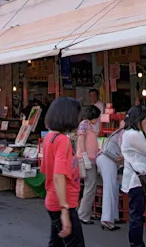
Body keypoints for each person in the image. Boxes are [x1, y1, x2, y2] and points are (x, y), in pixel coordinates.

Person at [42, 97, 85, 247]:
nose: (79, 121)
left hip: (54, 199)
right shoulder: (62, 140)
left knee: (57, 244)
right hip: (62, 203)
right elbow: (58, 176)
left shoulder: (49, 138)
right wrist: (64, 210)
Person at [121, 106, 146, 247]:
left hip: (134, 179)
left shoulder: (129, 133)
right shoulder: (134, 135)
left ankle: (137, 243)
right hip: (136, 181)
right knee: (136, 216)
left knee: (136, 215)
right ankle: (136, 244)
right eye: (145, 120)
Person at [95, 120, 126, 231]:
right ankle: (107, 220)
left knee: (113, 187)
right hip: (108, 160)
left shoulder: (118, 132)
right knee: (109, 188)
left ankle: (113, 216)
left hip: (104, 158)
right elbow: (124, 152)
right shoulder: (124, 133)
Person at [76, 105, 102, 225]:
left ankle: (87, 212)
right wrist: (85, 156)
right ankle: (83, 214)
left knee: (90, 187)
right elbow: (81, 140)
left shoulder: (88, 126)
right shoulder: (84, 124)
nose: (98, 120)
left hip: (91, 159)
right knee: (89, 187)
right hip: (87, 160)